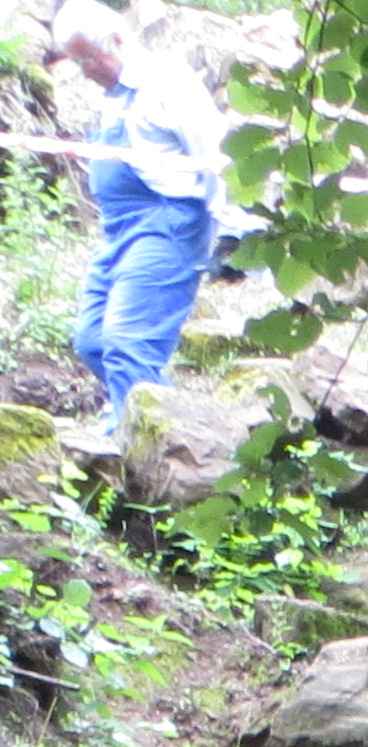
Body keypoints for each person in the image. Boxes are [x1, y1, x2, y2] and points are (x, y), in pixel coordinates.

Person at [39, 3, 230, 432]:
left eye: (89, 59)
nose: (85, 72)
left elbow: (216, 156)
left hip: (168, 223)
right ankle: (164, 420)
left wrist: (230, 226)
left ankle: (135, 443)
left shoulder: (168, 83)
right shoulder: (114, 96)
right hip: (118, 232)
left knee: (128, 342)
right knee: (92, 341)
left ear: (118, 40)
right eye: (77, 62)